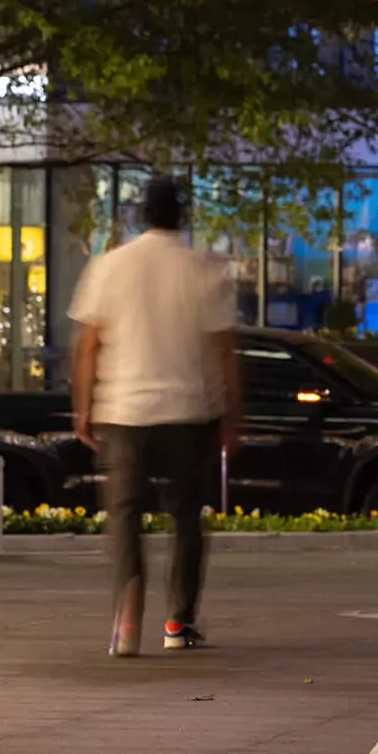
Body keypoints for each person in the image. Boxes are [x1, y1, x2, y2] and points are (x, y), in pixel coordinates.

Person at [69, 176, 239, 656]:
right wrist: (231, 415)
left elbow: (88, 344)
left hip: (123, 411)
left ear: (141, 215)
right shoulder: (201, 270)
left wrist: (84, 406)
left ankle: (126, 617)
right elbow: (224, 351)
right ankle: (177, 622)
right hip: (189, 411)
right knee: (186, 518)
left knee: (124, 514)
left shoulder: (111, 266)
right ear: (181, 217)